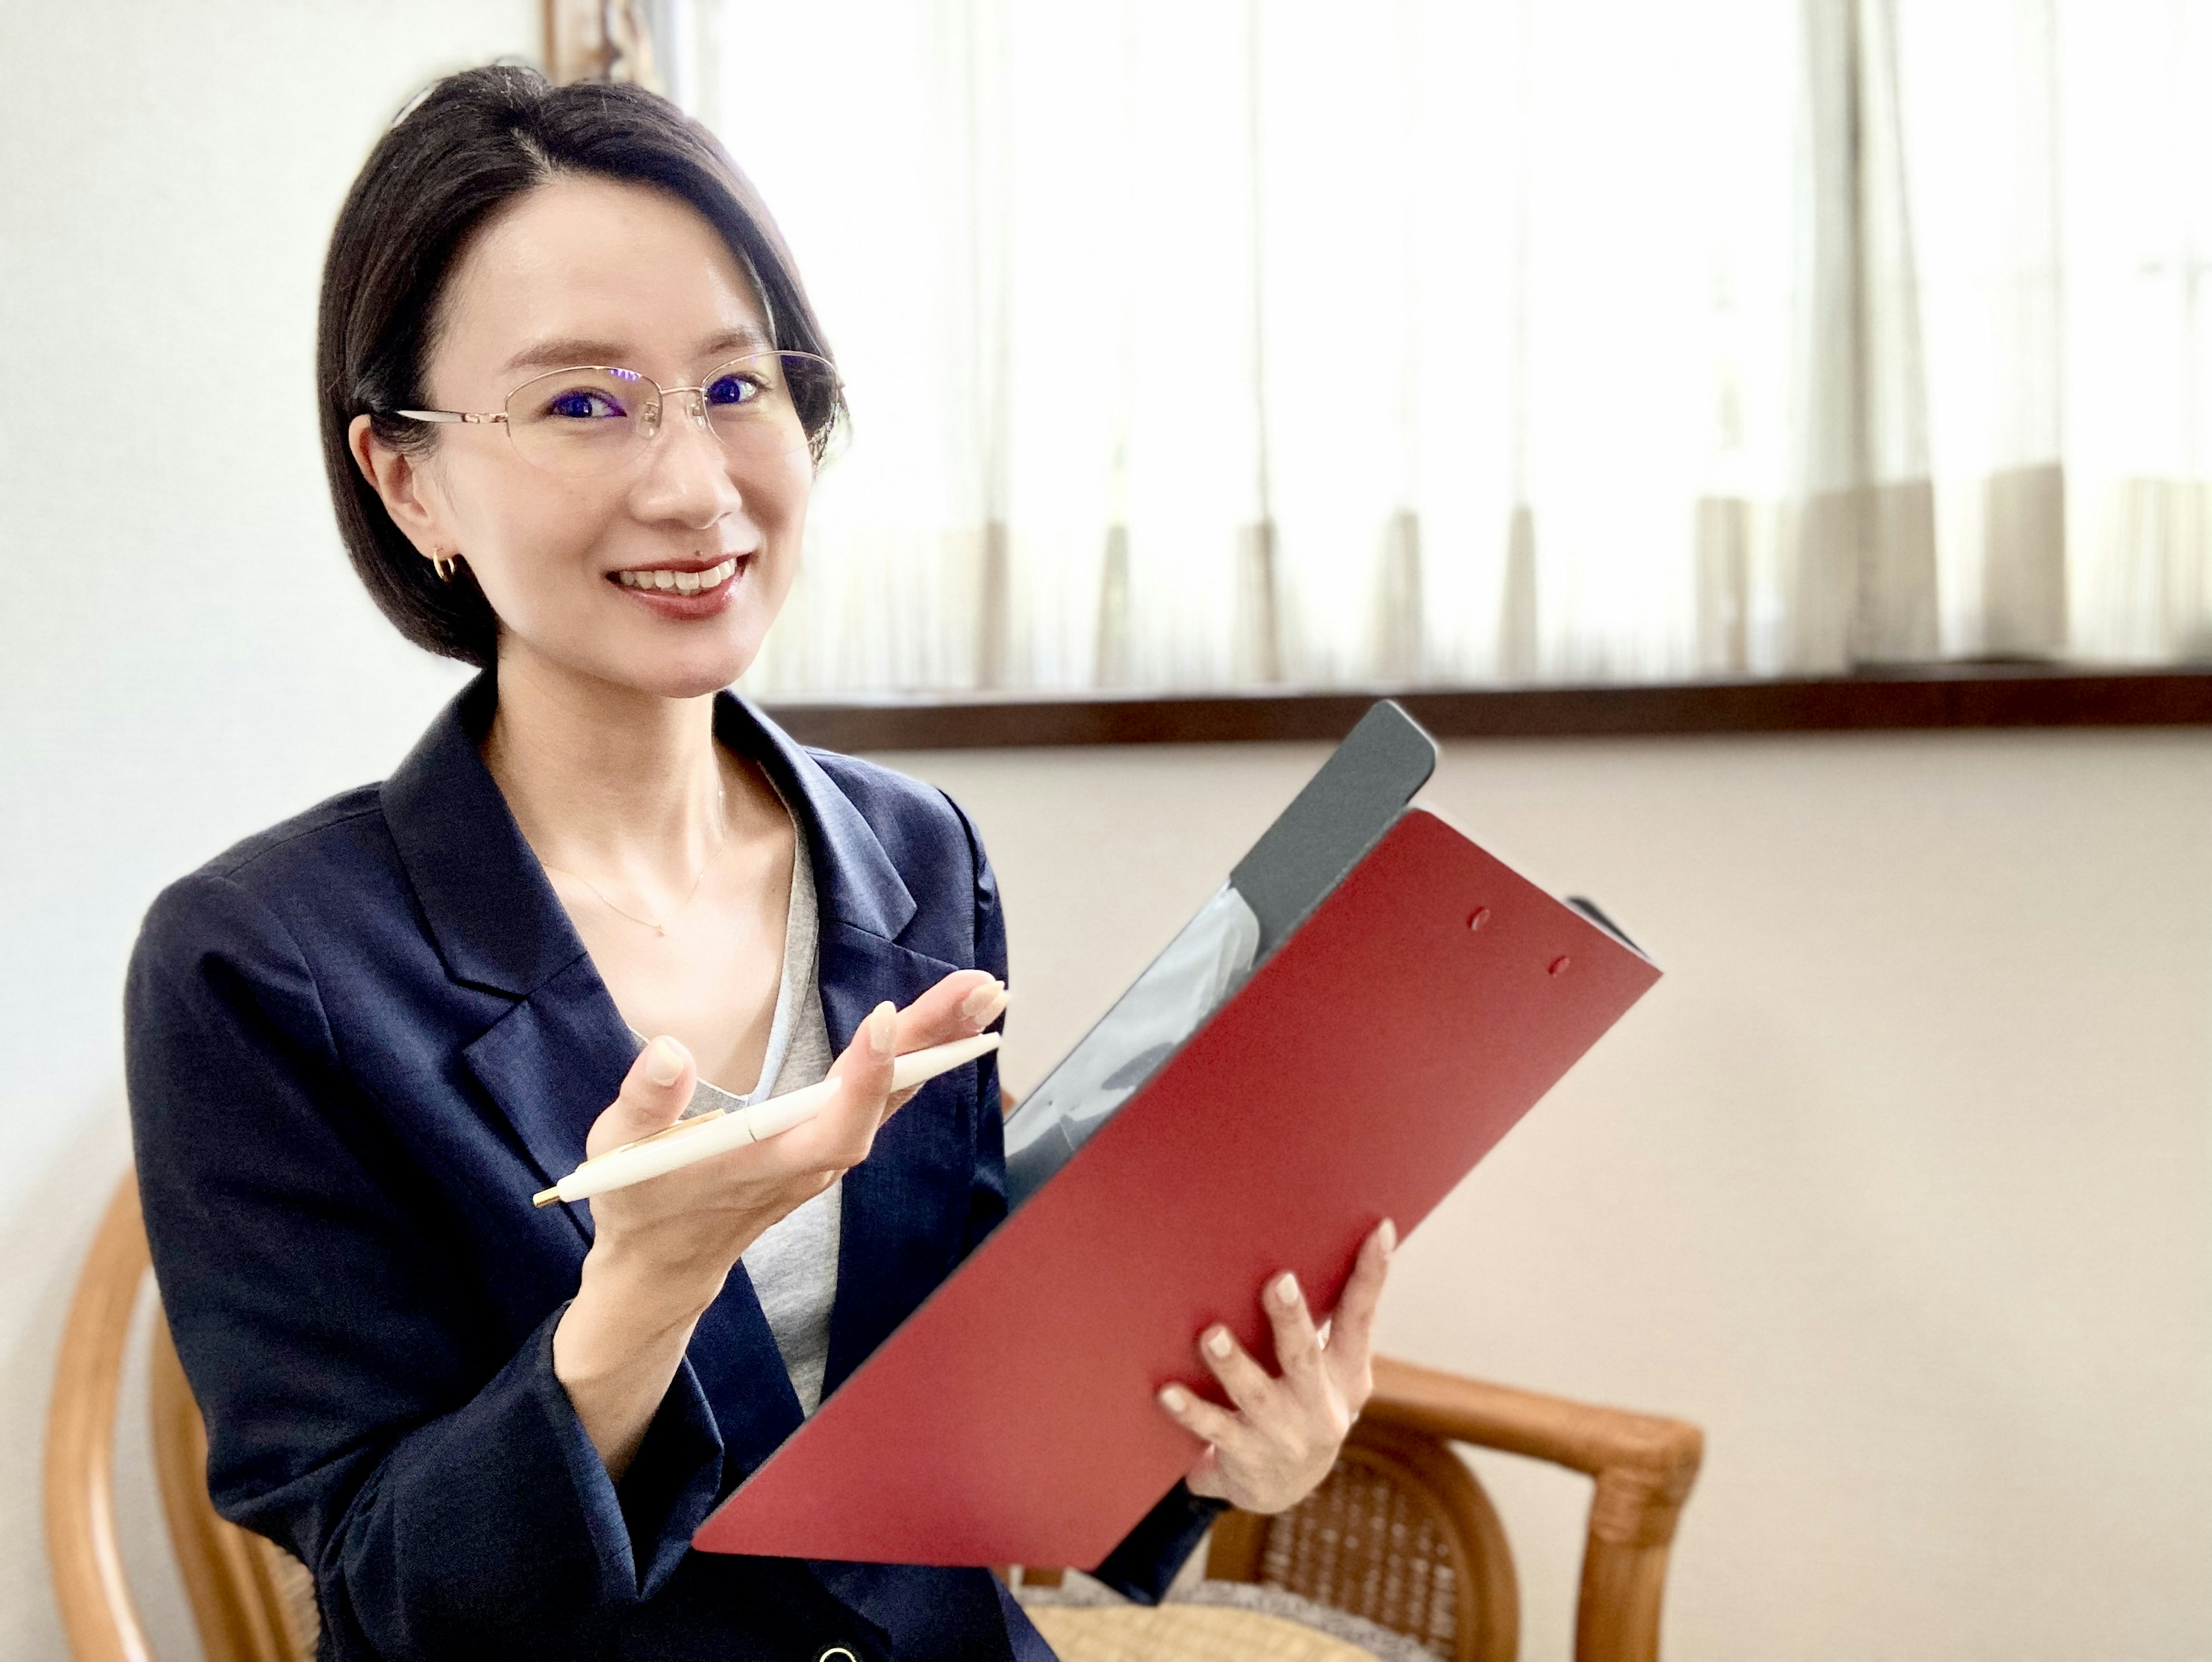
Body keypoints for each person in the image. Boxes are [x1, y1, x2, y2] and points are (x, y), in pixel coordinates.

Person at [124, 64, 1393, 1662]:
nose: (693, 484)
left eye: (737, 388)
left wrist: (1219, 1448)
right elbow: (392, 1602)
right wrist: (638, 1301)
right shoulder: (259, 967)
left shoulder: (914, 854)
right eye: (582, 402)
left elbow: (954, 1397)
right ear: (407, 476)